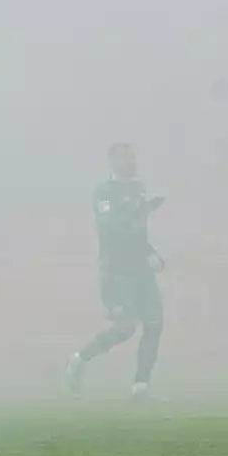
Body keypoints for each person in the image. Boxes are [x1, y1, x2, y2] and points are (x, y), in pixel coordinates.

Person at [64, 143, 167, 401]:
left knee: (154, 323)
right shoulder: (104, 193)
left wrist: (150, 252)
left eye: (133, 157)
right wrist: (140, 210)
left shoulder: (137, 188)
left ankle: (141, 387)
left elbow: (137, 232)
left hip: (140, 269)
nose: (132, 163)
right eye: (126, 159)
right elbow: (111, 229)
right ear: (112, 162)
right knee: (125, 328)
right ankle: (79, 359)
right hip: (115, 271)